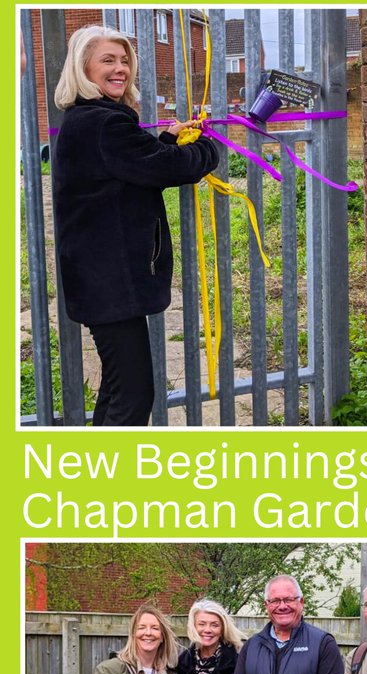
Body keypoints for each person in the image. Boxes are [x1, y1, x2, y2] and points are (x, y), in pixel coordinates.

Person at [51, 25, 221, 426]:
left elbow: (130, 165)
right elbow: (165, 167)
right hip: (109, 280)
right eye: (108, 60)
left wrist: (165, 138)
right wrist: (206, 148)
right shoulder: (104, 124)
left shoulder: (90, 120)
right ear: (83, 68)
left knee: (118, 387)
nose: (120, 69)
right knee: (133, 395)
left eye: (124, 60)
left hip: (100, 276)